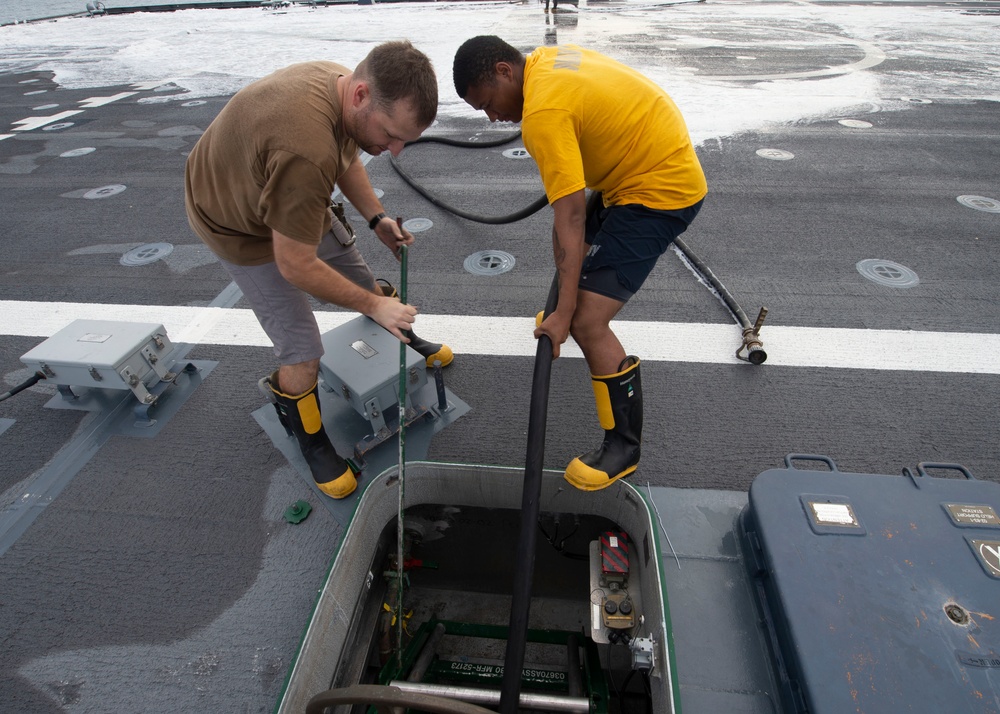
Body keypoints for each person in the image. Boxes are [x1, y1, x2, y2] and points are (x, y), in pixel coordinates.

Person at [185, 41, 452, 500]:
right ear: (362, 96)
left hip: (277, 187)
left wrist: (376, 219)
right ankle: (310, 438)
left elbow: (345, 155)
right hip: (233, 220)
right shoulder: (304, 151)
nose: (396, 151)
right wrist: (374, 306)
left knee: (362, 281)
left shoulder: (341, 85)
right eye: (391, 135)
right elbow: (294, 264)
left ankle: (397, 338)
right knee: (302, 350)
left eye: (403, 140)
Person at [453, 36, 707, 492]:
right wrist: (559, 307)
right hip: (642, 158)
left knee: (590, 322)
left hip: (659, 189)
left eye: (488, 103)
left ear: (505, 71)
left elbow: (568, 216)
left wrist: (567, 314)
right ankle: (567, 311)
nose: (492, 118)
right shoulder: (547, 61)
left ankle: (623, 448)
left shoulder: (543, 116)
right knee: (577, 252)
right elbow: (568, 220)